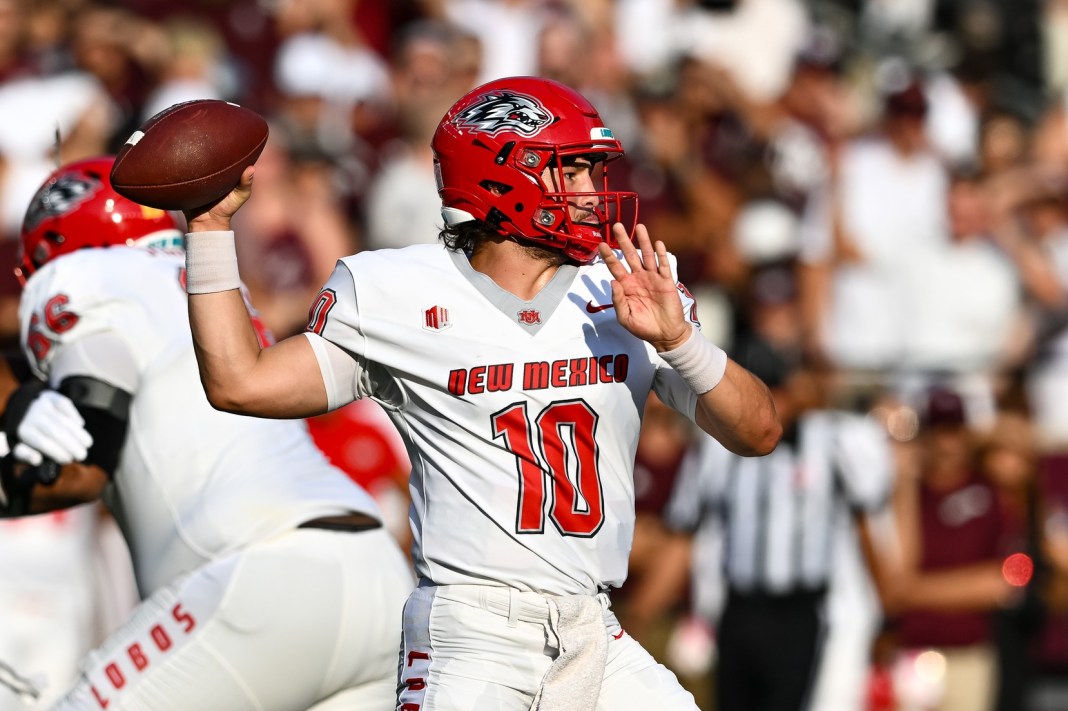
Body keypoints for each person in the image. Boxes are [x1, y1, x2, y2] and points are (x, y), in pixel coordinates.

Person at [180, 76, 781, 710]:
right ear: (503, 179)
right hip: (472, 635)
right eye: (570, 173)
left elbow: (759, 432)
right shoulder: (397, 291)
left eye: (593, 173)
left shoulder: (625, 289)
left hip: (593, 625)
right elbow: (240, 382)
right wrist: (210, 229)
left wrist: (684, 341)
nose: (592, 194)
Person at [4, 156, 414, 710]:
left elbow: (79, 465)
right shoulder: (209, 285)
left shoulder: (88, 279)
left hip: (260, 580)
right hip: (375, 573)